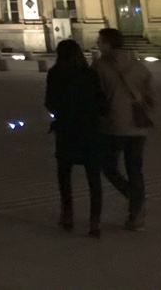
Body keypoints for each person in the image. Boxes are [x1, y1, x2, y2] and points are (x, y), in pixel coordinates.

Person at [93, 27, 154, 231]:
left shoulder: (99, 66)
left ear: (109, 45)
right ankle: (136, 216)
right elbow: (151, 98)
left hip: (114, 126)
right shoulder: (138, 66)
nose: (97, 45)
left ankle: (132, 196)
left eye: (100, 42)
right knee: (135, 169)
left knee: (108, 166)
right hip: (138, 127)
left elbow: (95, 97)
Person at [45, 39, 104, 236]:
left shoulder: (55, 74)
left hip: (66, 129)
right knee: (93, 178)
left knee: (64, 174)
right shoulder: (90, 74)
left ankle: (67, 214)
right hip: (90, 129)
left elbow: (49, 102)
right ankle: (94, 221)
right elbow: (101, 102)